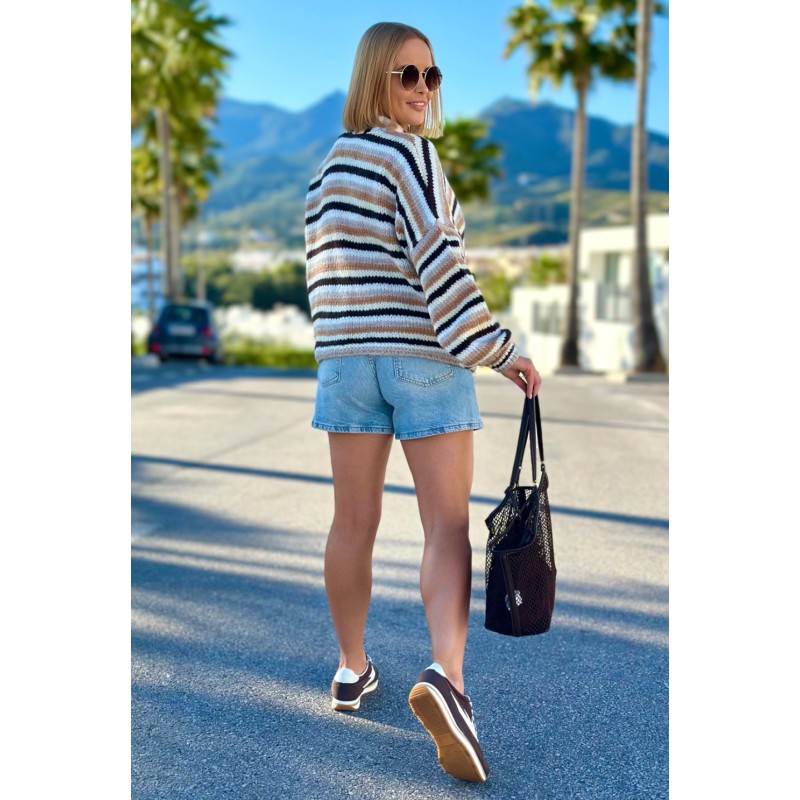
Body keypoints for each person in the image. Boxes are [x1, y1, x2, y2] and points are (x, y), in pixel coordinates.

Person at [304, 21, 542, 784]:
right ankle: (449, 681)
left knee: (352, 523)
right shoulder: (411, 157)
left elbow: (323, 278)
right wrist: (500, 351)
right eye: (406, 74)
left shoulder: (326, 172)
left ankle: (351, 669)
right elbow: (440, 265)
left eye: (431, 76)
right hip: (423, 357)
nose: (421, 89)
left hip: (346, 363)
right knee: (444, 526)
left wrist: (343, 352)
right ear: (375, 76)